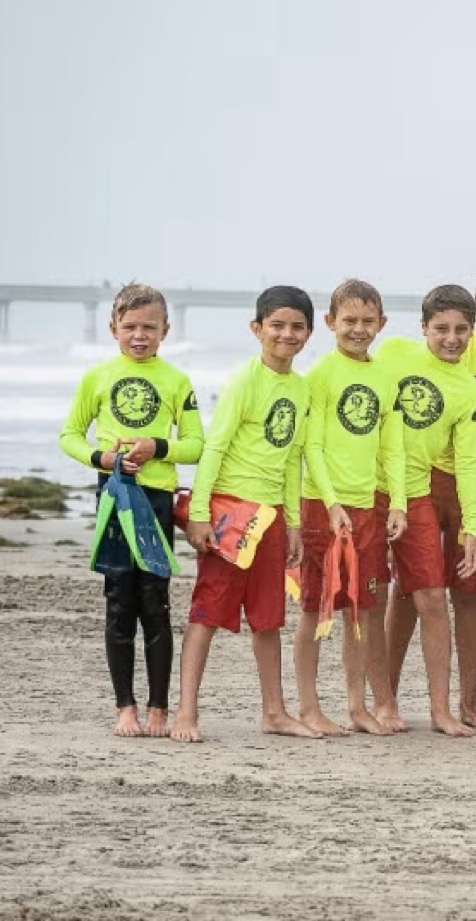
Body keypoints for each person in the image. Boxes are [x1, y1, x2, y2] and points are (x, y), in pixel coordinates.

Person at [59, 282, 205, 738]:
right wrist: (101, 459)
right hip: (114, 498)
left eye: (149, 327)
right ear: (113, 329)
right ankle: (125, 707)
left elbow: (197, 446)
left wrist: (156, 446)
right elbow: (70, 435)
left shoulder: (177, 381)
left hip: (156, 500)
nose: (139, 335)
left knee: (155, 604)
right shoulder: (97, 377)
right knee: (119, 602)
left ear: (165, 329)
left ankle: (159, 708)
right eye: (130, 327)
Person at [172, 286, 317, 743]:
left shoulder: (301, 388)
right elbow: (214, 448)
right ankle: (185, 713)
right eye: (277, 325)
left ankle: (275, 712)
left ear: (309, 333)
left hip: (272, 517)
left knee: (269, 617)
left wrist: (292, 522)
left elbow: (293, 460)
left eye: (296, 327)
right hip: (231, 515)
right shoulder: (243, 381)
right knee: (206, 613)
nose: (286, 334)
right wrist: (198, 513)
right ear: (257, 329)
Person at [292, 279, 406, 738]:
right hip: (323, 506)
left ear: (381, 323)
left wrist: (397, 502)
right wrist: (332, 501)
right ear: (330, 323)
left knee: (363, 608)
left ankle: (359, 706)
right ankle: (308, 707)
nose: (358, 330)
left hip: (369, 509)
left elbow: (392, 447)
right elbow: (312, 447)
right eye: (349, 321)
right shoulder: (320, 376)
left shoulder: (384, 377)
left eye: (367, 321)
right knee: (315, 610)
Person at [376, 285, 476, 737]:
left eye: (461, 329)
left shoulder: (469, 389)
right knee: (369, 599)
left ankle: (441, 709)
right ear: (423, 328)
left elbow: (467, 461)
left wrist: (472, 529)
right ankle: (383, 703)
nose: (452, 338)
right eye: (441, 329)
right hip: (369, 488)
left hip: (416, 492)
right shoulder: (394, 352)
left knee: (431, 597)